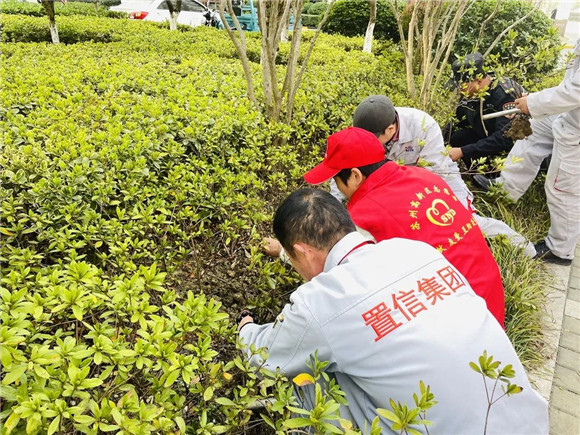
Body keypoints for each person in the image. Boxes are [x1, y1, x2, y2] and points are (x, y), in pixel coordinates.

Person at [239, 188, 548, 434]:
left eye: (292, 258)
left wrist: (246, 327)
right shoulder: (416, 250)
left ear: (303, 251)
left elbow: (264, 357)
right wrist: (284, 252)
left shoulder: (321, 302)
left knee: (307, 375)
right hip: (528, 422)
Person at [304, 127, 505, 326]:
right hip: (491, 304)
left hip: (456, 324)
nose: (337, 187)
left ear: (355, 176)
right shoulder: (423, 176)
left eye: (336, 179)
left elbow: (338, 275)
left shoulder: (363, 217)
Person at [349, 94, 535, 257]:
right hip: (393, 186)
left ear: (390, 129)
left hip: (437, 181)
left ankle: (523, 248)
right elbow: (346, 166)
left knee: (464, 222)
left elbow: (431, 174)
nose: (367, 142)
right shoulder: (368, 126)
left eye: (373, 139)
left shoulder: (422, 125)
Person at [512, 38, 580, 265]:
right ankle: (505, 191)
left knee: (562, 188)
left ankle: (560, 249)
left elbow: (574, 91)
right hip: (569, 116)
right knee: (534, 130)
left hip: (576, 132)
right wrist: (536, 104)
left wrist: (533, 102)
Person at [446, 52, 524, 166]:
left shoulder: (505, 94)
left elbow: (505, 138)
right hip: (486, 135)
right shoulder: (470, 93)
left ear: (478, 81)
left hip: (512, 145)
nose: (460, 90)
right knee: (458, 137)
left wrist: (463, 152)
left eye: (462, 85)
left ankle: (493, 177)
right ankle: (477, 175)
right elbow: (457, 120)